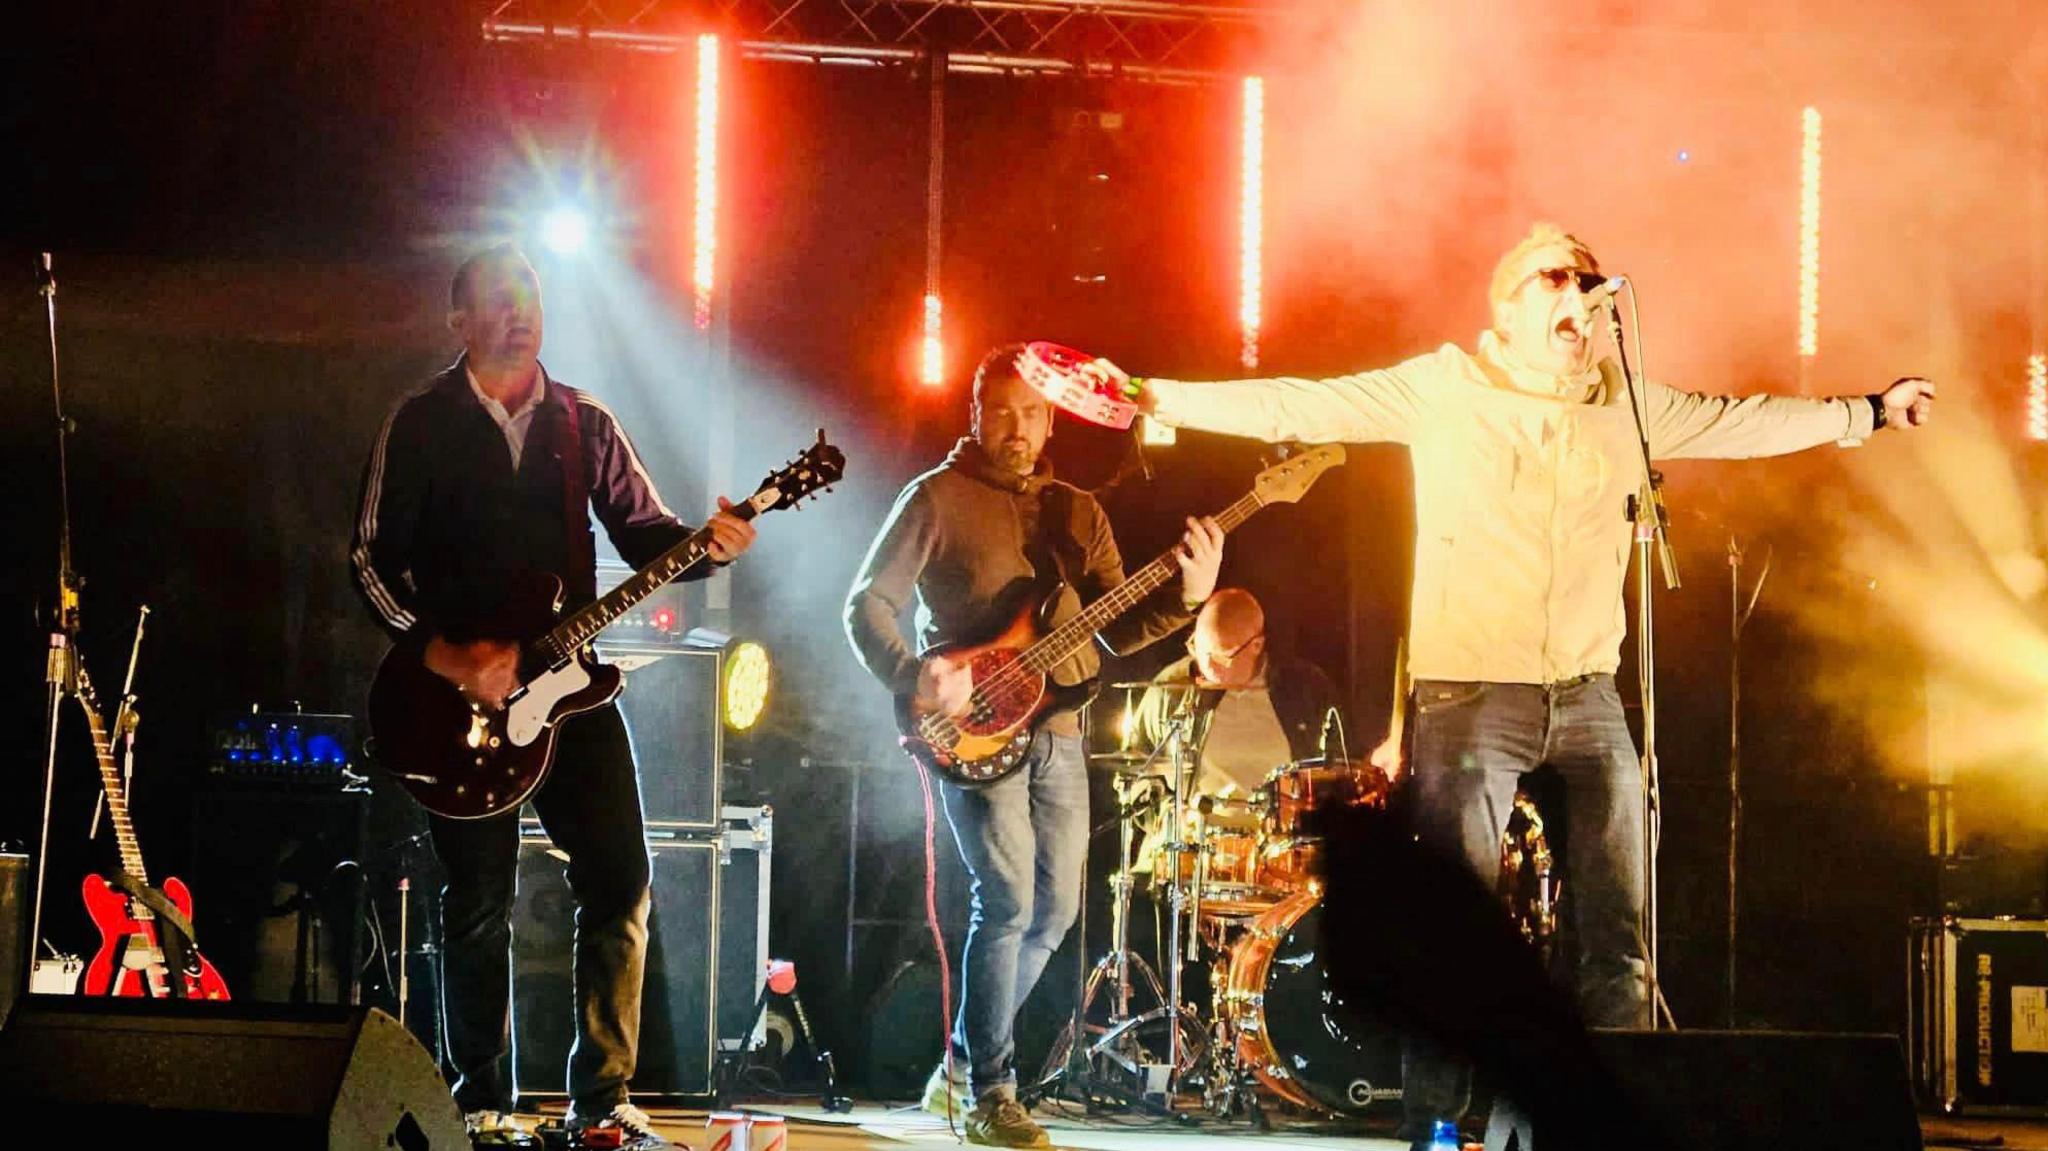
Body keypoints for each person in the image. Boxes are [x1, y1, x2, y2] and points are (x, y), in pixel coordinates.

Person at [1086, 222, 1936, 1147]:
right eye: (1558, 276)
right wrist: (1152, 394)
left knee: (1619, 925)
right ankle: (1438, 1130)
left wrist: (1869, 411)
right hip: (1469, 695)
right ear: (1511, 304)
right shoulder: (1445, 388)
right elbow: (1304, 402)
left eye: (1590, 278)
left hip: (1586, 691)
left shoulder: (1627, 403)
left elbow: (1742, 419)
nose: (1582, 292)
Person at [351, 243, 757, 1149]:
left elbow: (649, 533)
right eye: (497, 298)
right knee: (480, 896)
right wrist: (449, 657)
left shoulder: (586, 423)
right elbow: (370, 559)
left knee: (621, 879)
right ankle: (482, 1099)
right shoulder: (417, 421)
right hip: (452, 704)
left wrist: (710, 542)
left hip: (570, 691)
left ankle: (602, 1101)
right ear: (458, 319)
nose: (518, 310)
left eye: (529, 294)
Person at [843, 342, 1224, 1148]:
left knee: (1055, 908)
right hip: (972, 731)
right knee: (1007, 899)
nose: (1017, 428)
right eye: (1001, 412)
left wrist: (1190, 599)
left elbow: (1118, 629)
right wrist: (915, 675)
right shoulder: (935, 497)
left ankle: (957, 1069)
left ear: (1051, 419)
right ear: (975, 415)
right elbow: (865, 605)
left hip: (1061, 729)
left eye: (1032, 413)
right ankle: (992, 1091)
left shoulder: (1078, 511)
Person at [1132, 586, 1345, 798]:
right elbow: (1135, 764)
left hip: (1282, 828)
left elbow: (1342, 769)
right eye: (1197, 649)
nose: (1207, 665)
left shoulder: (1306, 688)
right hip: (1196, 829)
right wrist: (1155, 806)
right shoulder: (1173, 687)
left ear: (1256, 645)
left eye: (1220, 656)